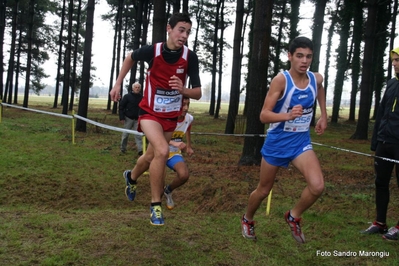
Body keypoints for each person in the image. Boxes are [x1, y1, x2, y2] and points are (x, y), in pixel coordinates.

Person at [109, 12, 201, 226]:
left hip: (170, 118)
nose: (184, 35)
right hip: (149, 112)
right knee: (162, 151)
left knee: (151, 156)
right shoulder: (154, 50)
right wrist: (117, 83)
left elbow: (197, 93)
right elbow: (130, 57)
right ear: (169, 29)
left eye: (188, 32)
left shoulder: (190, 57)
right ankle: (155, 206)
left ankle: (131, 177)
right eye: (181, 30)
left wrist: (183, 89)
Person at [240, 36, 328, 243]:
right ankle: (248, 219)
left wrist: (323, 115)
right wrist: (287, 115)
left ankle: (293, 215)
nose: (304, 61)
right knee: (263, 190)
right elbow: (264, 115)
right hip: (277, 142)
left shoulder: (316, 78)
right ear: (289, 56)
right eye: (299, 56)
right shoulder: (281, 80)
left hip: (300, 142)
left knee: (317, 186)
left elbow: (320, 89)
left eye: (308, 56)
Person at [361, 47, 399, 241]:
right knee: (380, 182)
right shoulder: (391, 84)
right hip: (385, 142)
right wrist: (376, 142)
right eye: (393, 60)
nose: (394, 63)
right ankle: (380, 222)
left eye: (398, 60)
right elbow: (383, 112)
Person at [119, 82, 143, 155]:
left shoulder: (142, 98)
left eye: (138, 87)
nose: (137, 89)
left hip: (137, 119)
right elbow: (121, 107)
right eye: (136, 87)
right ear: (133, 88)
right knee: (125, 135)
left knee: (138, 135)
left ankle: (140, 150)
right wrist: (121, 117)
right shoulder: (127, 96)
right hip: (128, 118)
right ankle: (123, 149)